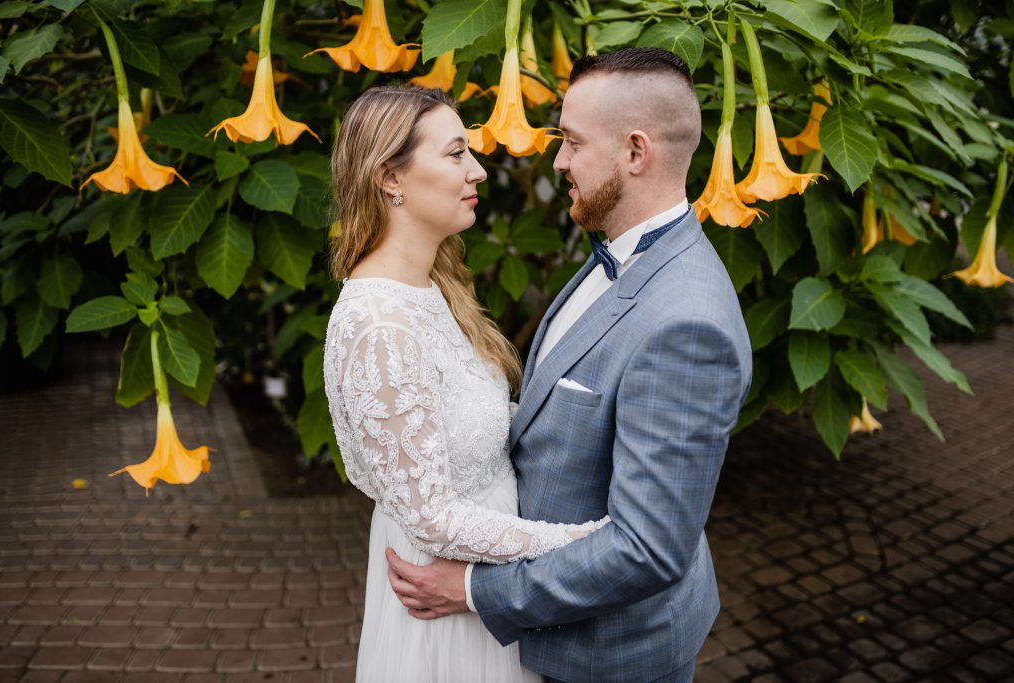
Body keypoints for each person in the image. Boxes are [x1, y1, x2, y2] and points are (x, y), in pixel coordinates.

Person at [385, 48, 753, 682]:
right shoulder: (619, 249)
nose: (557, 161)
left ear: (635, 153)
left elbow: (646, 549)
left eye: (572, 142)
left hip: (606, 656)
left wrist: (475, 591)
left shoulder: (686, 324)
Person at [322, 85, 610, 683]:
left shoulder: (432, 288)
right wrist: (579, 545)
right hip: (449, 594)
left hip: (485, 579)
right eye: (455, 153)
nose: (477, 169)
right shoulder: (379, 325)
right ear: (388, 177)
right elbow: (430, 517)